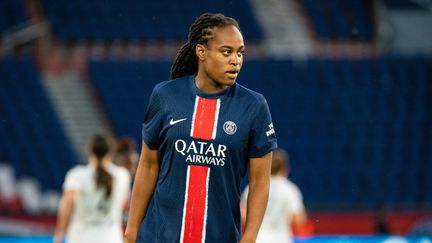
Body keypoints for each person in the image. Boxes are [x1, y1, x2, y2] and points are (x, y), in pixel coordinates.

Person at [124, 13, 277, 243]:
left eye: (240, 52)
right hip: (159, 236)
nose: (236, 60)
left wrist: (250, 237)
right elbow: (147, 166)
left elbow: (260, 181)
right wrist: (130, 232)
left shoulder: (254, 106)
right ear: (201, 52)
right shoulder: (165, 96)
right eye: (227, 52)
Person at [54, 134, 131, 243]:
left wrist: (59, 234)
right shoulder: (122, 176)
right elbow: (122, 205)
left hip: (81, 235)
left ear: (90, 151)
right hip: (110, 236)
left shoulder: (77, 175)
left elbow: (67, 202)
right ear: (110, 152)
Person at [241, 149, 307, 243]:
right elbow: (299, 219)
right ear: (285, 168)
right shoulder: (290, 189)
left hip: (259, 238)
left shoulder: (254, 186)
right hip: (282, 238)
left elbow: (243, 214)